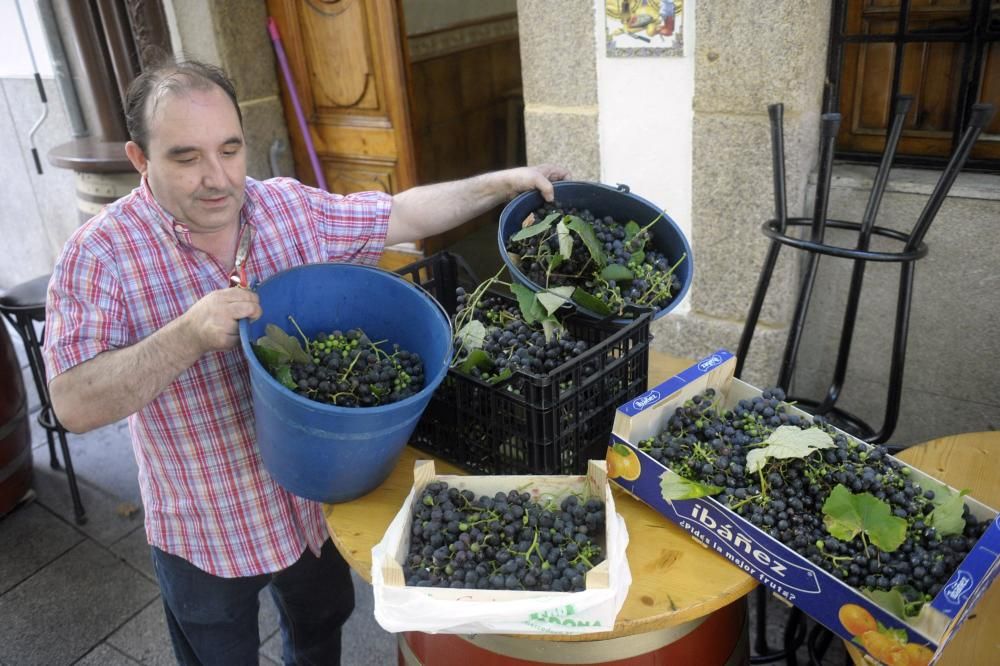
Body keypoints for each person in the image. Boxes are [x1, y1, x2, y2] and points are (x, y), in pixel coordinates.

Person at [42, 59, 568, 665]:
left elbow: (402, 214)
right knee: (218, 653)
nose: (218, 178)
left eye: (230, 149)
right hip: (205, 524)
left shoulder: (286, 209)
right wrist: (184, 336)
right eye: (186, 158)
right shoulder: (99, 256)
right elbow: (73, 404)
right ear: (140, 158)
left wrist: (504, 183)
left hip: (308, 508)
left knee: (320, 633)